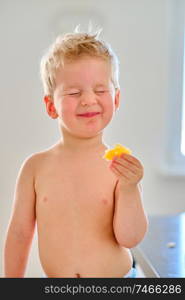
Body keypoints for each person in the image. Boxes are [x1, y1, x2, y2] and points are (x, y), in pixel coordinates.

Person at [3, 27, 148, 278]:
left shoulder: (119, 167)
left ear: (116, 100)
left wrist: (129, 188)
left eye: (100, 90)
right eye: (73, 92)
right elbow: (19, 233)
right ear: (51, 106)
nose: (89, 100)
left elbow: (130, 238)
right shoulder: (35, 168)